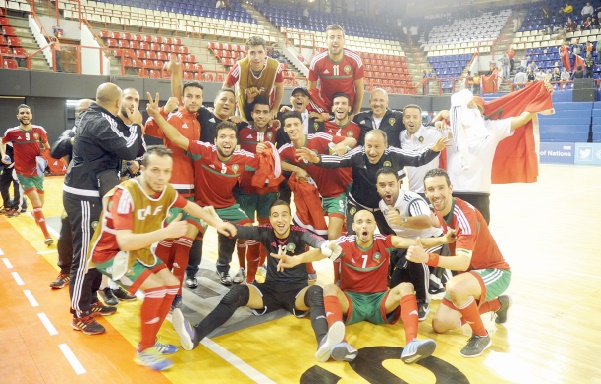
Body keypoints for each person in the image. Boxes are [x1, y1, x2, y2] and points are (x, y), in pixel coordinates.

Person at [88, 145, 237, 370]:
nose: (161, 176)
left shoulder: (165, 191)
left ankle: (150, 342)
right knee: (157, 289)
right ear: (143, 170)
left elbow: (191, 206)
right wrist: (165, 233)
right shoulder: (126, 194)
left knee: (170, 285)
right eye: (155, 170)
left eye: (167, 171)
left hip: (140, 250)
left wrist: (217, 223)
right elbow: (124, 242)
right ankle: (144, 349)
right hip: (112, 255)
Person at [273, 209, 456, 363]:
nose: (364, 226)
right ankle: (341, 344)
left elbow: (416, 242)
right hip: (352, 301)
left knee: (406, 287)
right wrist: (296, 259)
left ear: (374, 226)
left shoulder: (384, 242)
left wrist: (443, 240)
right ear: (353, 227)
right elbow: (319, 253)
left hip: (379, 302)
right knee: (329, 288)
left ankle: (411, 344)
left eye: (368, 222)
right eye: (359, 222)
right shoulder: (344, 244)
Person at [171, 200, 343, 362]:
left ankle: (324, 343)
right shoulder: (265, 231)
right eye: (275, 215)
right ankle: (195, 335)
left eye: (284, 214)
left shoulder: (299, 233)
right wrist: (216, 221)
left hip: (297, 293)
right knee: (238, 292)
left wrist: (325, 246)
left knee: (315, 292)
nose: (280, 219)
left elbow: (316, 241)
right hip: (269, 291)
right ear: (270, 219)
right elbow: (239, 231)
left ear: (290, 218)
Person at [145, 93, 272, 286]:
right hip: (201, 205)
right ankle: (180, 284)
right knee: (187, 236)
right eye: (222, 137)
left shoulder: (245, 157)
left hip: (228, 205)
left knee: (250, 232)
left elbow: (269, 163)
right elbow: (176, 137)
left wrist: (268, 150)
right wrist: (157, 115)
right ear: (215, 140)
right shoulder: (204, 150)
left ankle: (247, 280)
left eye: (231, 137)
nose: (227, 140)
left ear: (236, 142)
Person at [63, 82, 145, 335]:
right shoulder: (99, 122)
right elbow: (130, 148)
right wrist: (138, 124)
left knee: (98, 251)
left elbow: (135, 148)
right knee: (85, 256)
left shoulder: (98, 117)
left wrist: (131, 128)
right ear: (118, 103)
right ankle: (79, 312)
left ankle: (90, 300)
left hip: (95, 194)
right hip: (85, 196)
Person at [406, 168, 511, 358]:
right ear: (425, 192)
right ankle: (497, 304)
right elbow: (436, 222)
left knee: (454, 285)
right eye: (431, 190)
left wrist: (426, 258)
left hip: (495, 272)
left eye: (441, 188)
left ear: (450, 188)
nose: (436, 194)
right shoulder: (439, 211)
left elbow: (462, 263)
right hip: (471, 277)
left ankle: (481, 335)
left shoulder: (465, 214)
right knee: (440, 325)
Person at [296, 129, 448, 235]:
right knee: (353, 238)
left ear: (385, 146)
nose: (372, 151)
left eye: (377, 146)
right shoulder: (358, 153)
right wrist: (317, 159)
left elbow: (417, 158)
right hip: (358, 204)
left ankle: (390, 273)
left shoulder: (393, 153)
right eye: (369, 146)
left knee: (391, 239)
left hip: (385, 207)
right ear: (364, 145)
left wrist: (434, 150)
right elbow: (338, 160)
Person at [445, 87, 552, 223]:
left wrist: (542, 94)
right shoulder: (449, 129)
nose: (469, 111)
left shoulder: (492, 128)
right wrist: (439, 118)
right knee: (451, 238)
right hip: (452, 193)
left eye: (474, 107)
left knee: (480, 238)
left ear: (482, 112)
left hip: (479, 193)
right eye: (466, 107)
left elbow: (523, 118)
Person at [145, 81, 204, 309]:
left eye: (197, 96)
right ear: (183, 98)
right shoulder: (174, 118)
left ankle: (175, 292)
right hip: (172, 193)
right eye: (189, 96)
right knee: (166, 244)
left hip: (193, 194)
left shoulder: (198, 123)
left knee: (184, 245)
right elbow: (149, 128)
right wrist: (162, 111)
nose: (193, 100)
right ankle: (160, 287)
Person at [376, 167, 450, 320]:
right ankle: (437, 277)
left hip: (433, 242)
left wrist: (402, 220)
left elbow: (426, 221)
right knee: (396, 285)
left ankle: (423, 301)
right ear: (377, 188)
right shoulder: (382, 205)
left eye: (391, 184)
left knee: (414, 255)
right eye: (382, 185)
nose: (387, 189)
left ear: (399, 183)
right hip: (410, 245)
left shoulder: (412, 200)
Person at [234, 97, 282, 284]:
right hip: (246, 189)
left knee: (264, 230)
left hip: (268, 190)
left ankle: (261, 264)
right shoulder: (242, 131)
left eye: (265, 112)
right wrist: (234, 119)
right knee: (244, 231)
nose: (261, 116)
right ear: (251, 114)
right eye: (258, 112)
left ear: (270, 115)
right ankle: (240, 268)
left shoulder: (276, 132)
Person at [47, 99, 92, 289]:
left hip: (99, 193)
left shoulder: (104, 133)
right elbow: (55, 151)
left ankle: (103, 285)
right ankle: (65, 271)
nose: (82, 114)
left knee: (99, 238)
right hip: (75, 192)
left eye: (86, 110)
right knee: (67, 232)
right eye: (79, 111)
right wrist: (74, 139)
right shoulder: (71, 133)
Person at [1, 104, 52, 244]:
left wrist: (43, 159)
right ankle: (47, 235)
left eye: (27, 113)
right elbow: (2, 141)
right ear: (18, 116)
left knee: (40, 203)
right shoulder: (12, 132)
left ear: (31, 115)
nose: (25, 115)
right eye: (22, 113)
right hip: (22, 173)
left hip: (37, 172)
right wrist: (3, 154)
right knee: (35, 202)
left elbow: (47, 148)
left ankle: (36, 213)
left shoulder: (39, 131)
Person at [308, 24, 365, 117]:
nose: (335, 40)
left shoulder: (355, 59)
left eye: (339, 37)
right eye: (332, 37)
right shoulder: (317, 61)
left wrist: (355, 113)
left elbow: (359, 89)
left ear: (344, 41)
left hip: (347, 110)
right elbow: (311, 90)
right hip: (325, 110)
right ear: (326, 41)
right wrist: (320, 110)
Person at [223, 36, 284, 121]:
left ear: (265, 53)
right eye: (252, 53)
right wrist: (230, 112)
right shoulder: (239, 67)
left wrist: (275, 109)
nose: (256, 57)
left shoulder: (275, 67)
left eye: (260, 52)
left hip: (265, 110)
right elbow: (226, 87)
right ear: (246, 53)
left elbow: (280, 87)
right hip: (242, 111)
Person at [400, 104, 446, 195]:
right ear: (403, 120)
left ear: (421, 119)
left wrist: (447, 115)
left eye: (415, 117)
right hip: (412, 193)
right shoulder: (401, 136)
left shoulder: (434, 133)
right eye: (408, 117)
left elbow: (457, 134)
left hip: (432, 192)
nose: (411, 120)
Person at [0, 140, 27, 217]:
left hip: (17, 167)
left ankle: (16, 208)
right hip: (7, 168)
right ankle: (7, 206)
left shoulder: (7, 143)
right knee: (2, 186)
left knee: (17, 188)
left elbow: (1, 141)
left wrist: (3, 154)